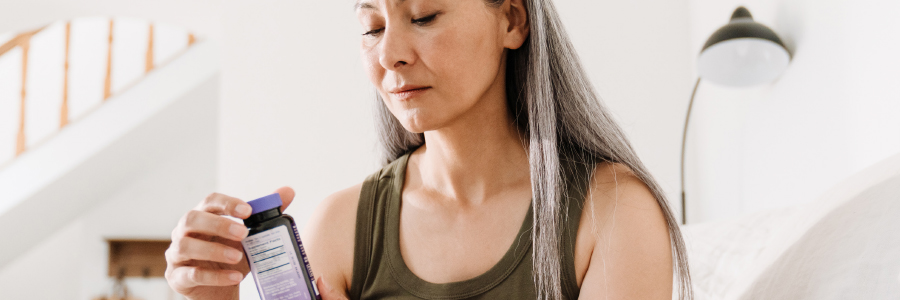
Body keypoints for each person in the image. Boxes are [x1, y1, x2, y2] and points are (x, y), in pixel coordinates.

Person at [164, 0, 692, 299]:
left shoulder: (615, 211)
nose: (390, 54)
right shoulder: (343, 226)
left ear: (512, 20)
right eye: (371, 28)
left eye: (423, 16)